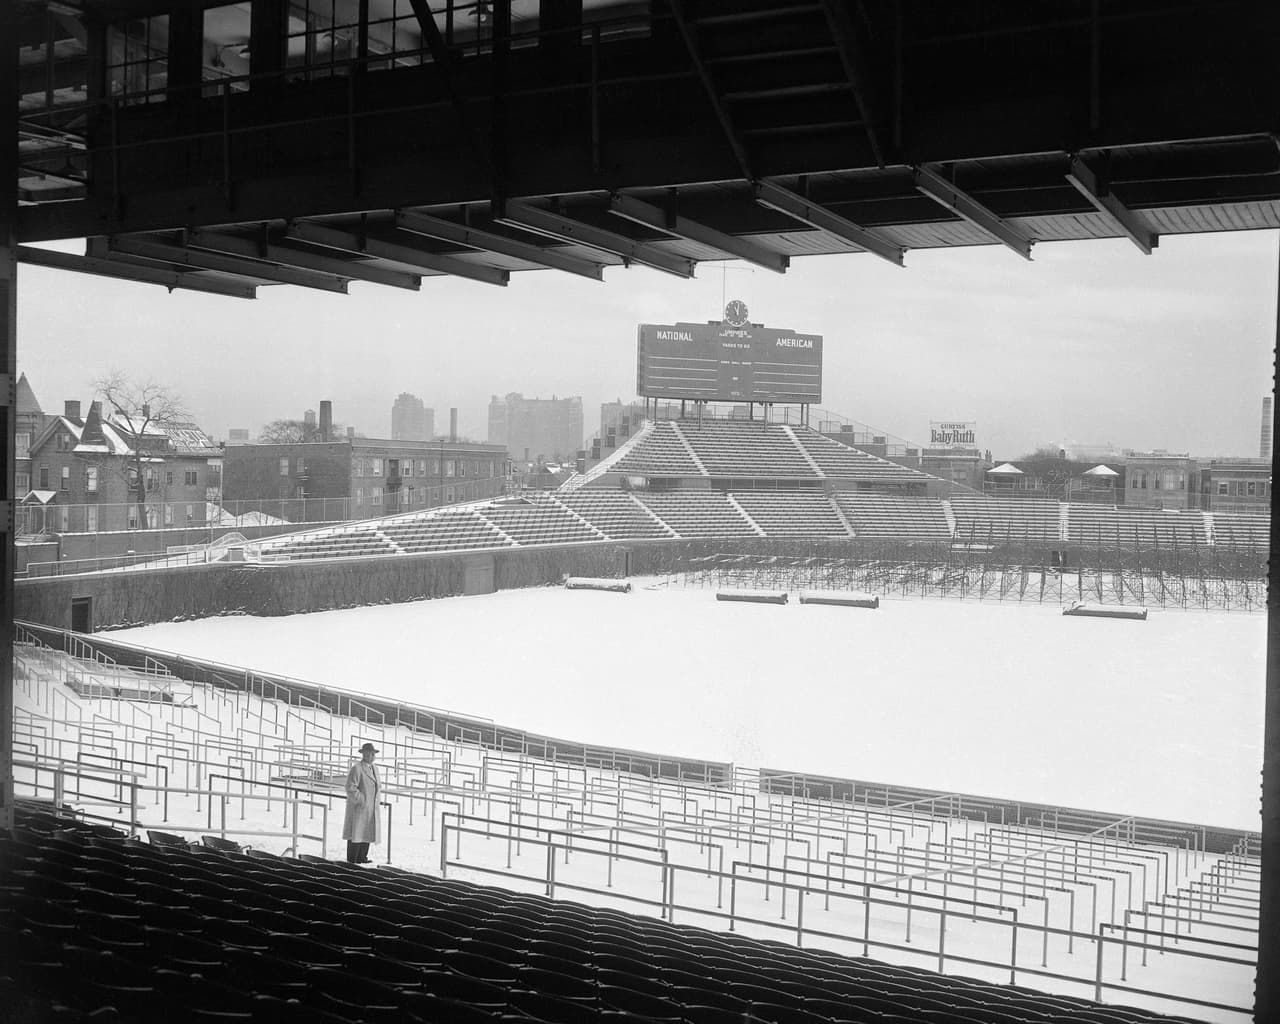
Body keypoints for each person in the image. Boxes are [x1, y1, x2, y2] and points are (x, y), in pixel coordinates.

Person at [343, 742, 381, 864]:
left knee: (367, 833)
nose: (372, 755)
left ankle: (362, 857)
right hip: (360, 808)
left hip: (371, 807)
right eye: (370, 753)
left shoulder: (375, 769)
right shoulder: (357, 768)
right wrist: (362, 800)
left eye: (373, 753)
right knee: (356, 834)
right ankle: (353, 859)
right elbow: (350, 787)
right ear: (364, 754)